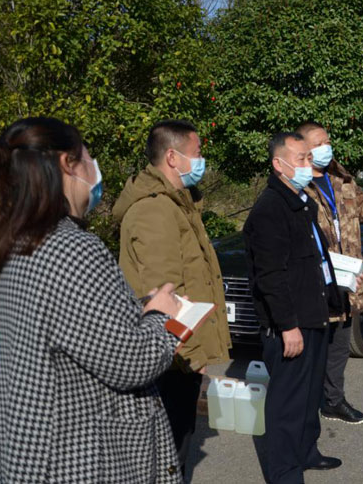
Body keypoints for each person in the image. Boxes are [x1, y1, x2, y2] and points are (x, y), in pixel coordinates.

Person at [0, 117, 183, 483]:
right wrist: (165, 317)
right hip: (78, 456)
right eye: (88, 156)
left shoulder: (11, 241)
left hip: (28, 446)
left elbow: (73, 329)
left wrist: (138, 311)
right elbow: (131, 361)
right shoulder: (70, 249)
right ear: (68, 163)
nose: (94, 167)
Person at [113, 119, 232, 476]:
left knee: (175, 450)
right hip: (171, 357)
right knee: (167, 456)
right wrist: (191, 355)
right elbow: (164, 293)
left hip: (176, 352)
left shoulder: (178, 203)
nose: (202, 160)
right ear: (172, 157)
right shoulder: (154, 209)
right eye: (197, 153)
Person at [243, 132, 344, 484]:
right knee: (287, 402)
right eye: (300, 158)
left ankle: (306, 452)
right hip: (291, 323)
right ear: (279, 164)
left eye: (308, 158)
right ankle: (284, 471)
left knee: (309, 394)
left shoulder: (302, 202)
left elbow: (314, 259)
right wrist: (287, 326)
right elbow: (270, 276)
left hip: (314, 314)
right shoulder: (270, 209)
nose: (307, 164)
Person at [296, 121, 363, 425]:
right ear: (302, 149)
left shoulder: (341, 180)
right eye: (318, 144)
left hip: (347, 279)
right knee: (311, 348)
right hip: (315, 282)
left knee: (340, 347)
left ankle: (333, 401)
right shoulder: (297, 183)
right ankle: (302, 405)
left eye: (327, 141)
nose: (325, 148)